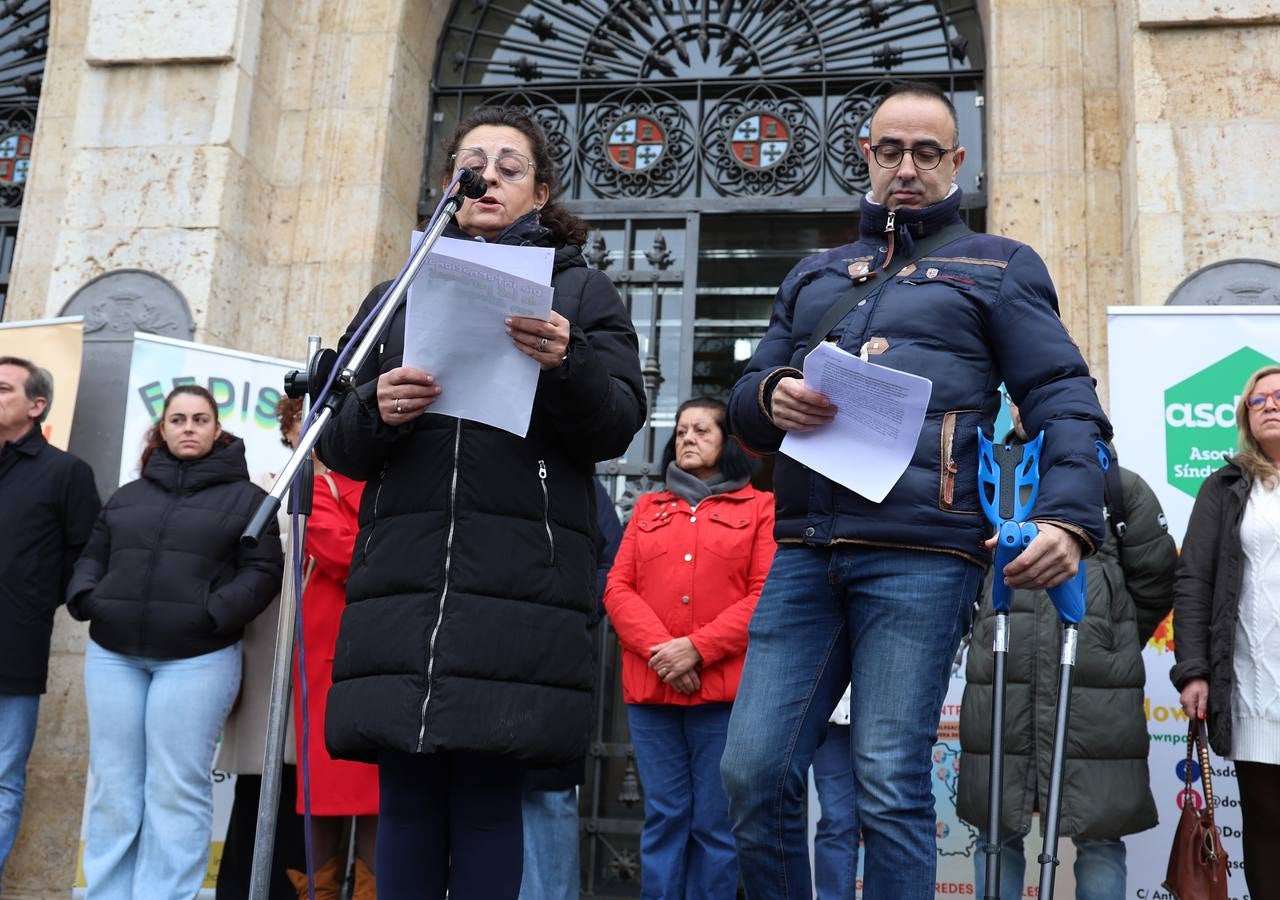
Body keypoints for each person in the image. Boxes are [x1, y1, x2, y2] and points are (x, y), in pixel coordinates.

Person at [720, 81, 1111, 899]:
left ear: (956, 161)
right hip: (804, 553)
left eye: (926, 152)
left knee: (888, 778)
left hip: (922, 558)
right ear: (864, 154)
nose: (906, 166)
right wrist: (769, 396)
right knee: (752, 772)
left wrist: (1069, 518)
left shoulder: (1000, 266)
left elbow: (1064, 395)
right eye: (890, 149)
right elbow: (748, 396)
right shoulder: (817, 272)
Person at [316, 105, 646, 900]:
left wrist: (567, 363)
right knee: (407, 794)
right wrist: (374, 408)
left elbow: (618, 424)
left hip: (517, 578)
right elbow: (335, 440)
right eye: (472, 164)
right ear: (446, 188)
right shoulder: (394, 295)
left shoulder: (582, 290)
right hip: (408, 575)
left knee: (488, 792)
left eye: (508, 165)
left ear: (539, 193)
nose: (487, 177)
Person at [67, 384, 284, 899]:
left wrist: (211, 615)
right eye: (178, 420)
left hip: (197, 660)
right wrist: (86, 596)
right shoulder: (129, 494)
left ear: (217, 429)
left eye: (200, 419)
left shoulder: (249, 500)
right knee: (113, 790)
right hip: (113, 657)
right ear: (162, 430)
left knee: (175, 790)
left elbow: (262, 572)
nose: (189, 428)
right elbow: (92, 556)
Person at [958, 402, 1176, 899]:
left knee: (1098, 836)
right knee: (996, 830)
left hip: (1092, 691)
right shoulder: (987, 484)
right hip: (1002, 682)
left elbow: (1157, 581)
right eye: (1019, 395)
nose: (1028, 407)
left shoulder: (1119, 487)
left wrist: (1110, 639)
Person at [604, 397, 775, 899]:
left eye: (702, 429)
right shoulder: (647, 508)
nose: (688, 438)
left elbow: (763, 594)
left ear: (728, 442)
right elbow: (617, 588)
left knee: (714, 826)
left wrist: (697, 650)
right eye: (681, 430)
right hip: (653, 692)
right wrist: (666, 652)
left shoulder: (760, 508)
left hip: (721, 698)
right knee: (664, 818)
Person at [1173, 365, 1280, 898]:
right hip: (1255, 688)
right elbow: (1193, 580)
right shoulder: (1225, 487)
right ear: (1245, 416)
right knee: (1265, 826)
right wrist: (1193, 669)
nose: (1269, 405)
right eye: (1257, 400)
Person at [0, 357, 99, 887]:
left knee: (1, 780)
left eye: (2, 389)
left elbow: (84, 556)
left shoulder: (66, 473)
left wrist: (31, 600)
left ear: (36, 406)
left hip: (12, 646)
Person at [279, 397, 378, 900]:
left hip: (383, 649)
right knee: (324, 793)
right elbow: (345, 554)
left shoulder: (384, 484)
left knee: (379, 798)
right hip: (327, 657)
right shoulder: (314, 487)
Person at [519, 478, 623, 900]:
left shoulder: (584, 486)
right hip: (483, 652)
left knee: (548, 792)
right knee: (481, 790)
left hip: (555, 658)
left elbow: (610, 565)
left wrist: (572, 610)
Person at [810, 686, 856, 900]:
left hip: (894, 711)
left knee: (892, 821)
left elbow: (941, 654)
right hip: (832, 711)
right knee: (836, 821)